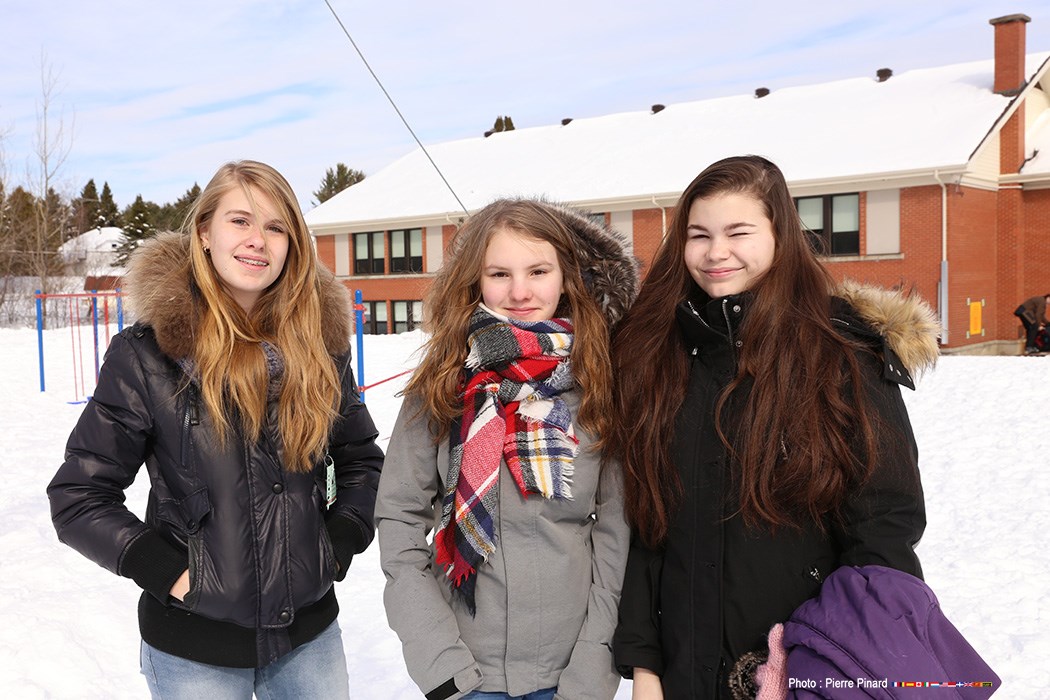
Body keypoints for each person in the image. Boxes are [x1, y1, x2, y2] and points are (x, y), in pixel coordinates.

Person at [607, 156, 940, 699]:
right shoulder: (658, 356)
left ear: (781, 237)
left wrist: (824, 662)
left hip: (806, 672)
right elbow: (649, 524)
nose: (717, 252)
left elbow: (884, 525)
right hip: (684, 676)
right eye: (699, 235)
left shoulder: (843, 353)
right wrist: (645, 666)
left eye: (739, 232)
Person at [47, 160, 384, 699]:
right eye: (240, 221)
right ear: (204, 232)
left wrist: (338, 540)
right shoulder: (148, 355)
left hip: (309, 638)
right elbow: (79, 495)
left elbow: (362, 460)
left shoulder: (319, 348)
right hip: (193, 649)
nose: (258, 241)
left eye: (276, 227)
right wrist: (171, 574)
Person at [376, 198, 638, 700]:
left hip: (569, 676)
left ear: (566, 276)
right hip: (467, 675)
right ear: (476, 280)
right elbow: (400, 522)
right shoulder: (441, 386)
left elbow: (616, 537)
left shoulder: (601, 383)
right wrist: (440, 664)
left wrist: (590, 673)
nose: (520, 292)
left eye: (538, 270)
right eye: (499, 273)